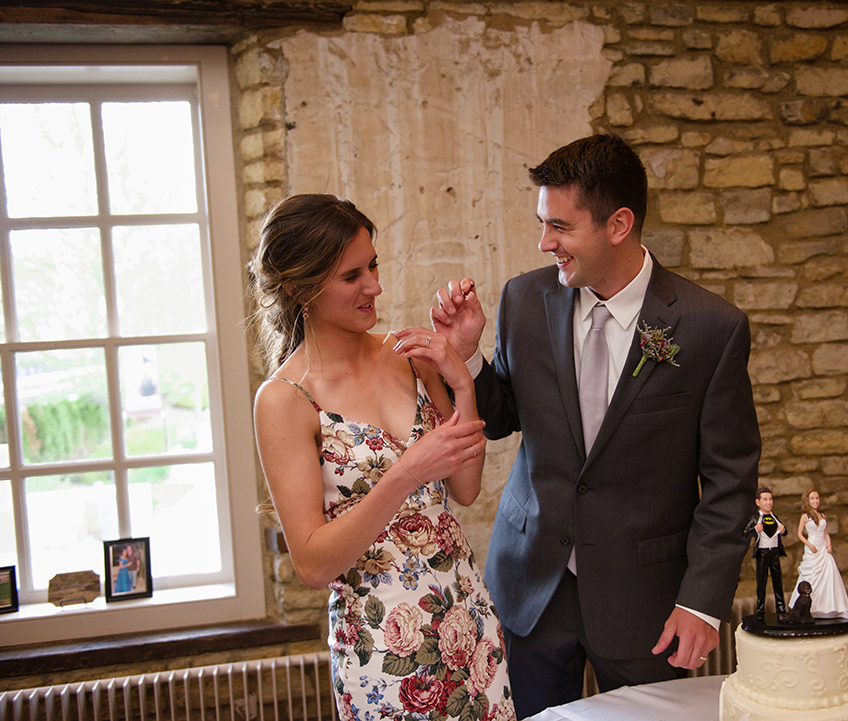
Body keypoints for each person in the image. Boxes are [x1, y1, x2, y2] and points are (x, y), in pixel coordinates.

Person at [431, 134, 760, 717]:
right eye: (542, 223)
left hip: (649, 604)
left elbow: (730, 482)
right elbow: (503, 418)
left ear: (619, 224)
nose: (544, 243)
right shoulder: (524, 300)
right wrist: (469, 357)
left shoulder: (712, 328)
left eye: (560, 226)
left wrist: (703, 603)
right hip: (530, 588)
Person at [250, 194, 515, 721]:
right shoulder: (283, 400)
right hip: (381, 645)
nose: (375, 285)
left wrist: (460, 380)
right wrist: (408, 471)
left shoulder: (406, 355)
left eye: (373, 265)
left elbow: (464, 490)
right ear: (298, 288)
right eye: (352, 276)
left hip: (466, 619)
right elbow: (313, 563)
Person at [790, 487, 848, 619]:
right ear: (807, 500)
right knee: (811, 575)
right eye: (812, 498)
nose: (815, 501)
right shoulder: (805, 517)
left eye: (817, 498)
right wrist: (809, 545)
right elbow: (799, 534)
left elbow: (825, 533)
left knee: (829, 573)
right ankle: (809, 608)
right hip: (813, 547)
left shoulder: (822, 516)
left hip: (822, 547)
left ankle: (830, 606)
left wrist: (829, 544)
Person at [742, 486, 787, 621]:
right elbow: (744, 534)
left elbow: (786, 532)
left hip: (774, 553)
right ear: (758, 502)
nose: (768, 502)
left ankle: (781, 609)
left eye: (770, 499)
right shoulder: (755, 519)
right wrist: (755, 529)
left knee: (777, 581)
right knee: (761, 583)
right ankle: (760, 610)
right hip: (762, 554)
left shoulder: (775, 518)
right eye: (765, 499)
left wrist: (783, 530)